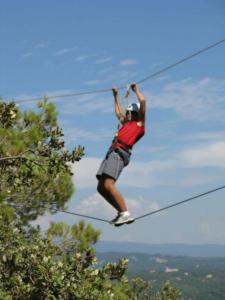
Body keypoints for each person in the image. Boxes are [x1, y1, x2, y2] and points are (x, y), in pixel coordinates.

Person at [96, 83, 146, 226]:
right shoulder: (125, 123)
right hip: (112, 152)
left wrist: (136, 90)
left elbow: (143, 102)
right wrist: (115, 96)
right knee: (101, 188)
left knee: (108, 184)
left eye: (129, 112)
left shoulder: (139, 125)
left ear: (134, 114)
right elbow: (118, 112)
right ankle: (121, 213)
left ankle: (125, 213)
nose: (126, 113)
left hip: (119, 152)